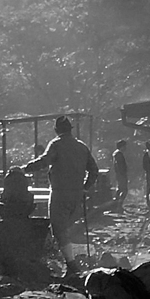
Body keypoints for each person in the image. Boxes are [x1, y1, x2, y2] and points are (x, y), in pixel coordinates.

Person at [21, 115, 99, 274]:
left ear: (56, 130)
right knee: (64, 228)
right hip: (77, 195)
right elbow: (94, 170)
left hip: (59, 194)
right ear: (70, 129)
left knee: (58, 228)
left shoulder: (56, 144)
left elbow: (44, 161)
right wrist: (85, 187)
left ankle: (71, 265)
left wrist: (24, 169)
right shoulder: (82, 146)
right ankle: (62, 257)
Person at [111, 139, 128, 212]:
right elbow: (120, 166)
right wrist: (123, 174)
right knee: (124, 190)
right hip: (121, 174)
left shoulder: (116, 153)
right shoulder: (119, 154)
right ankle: (118, 205)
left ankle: (116, 205)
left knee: (120, 189)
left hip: (119, 174)